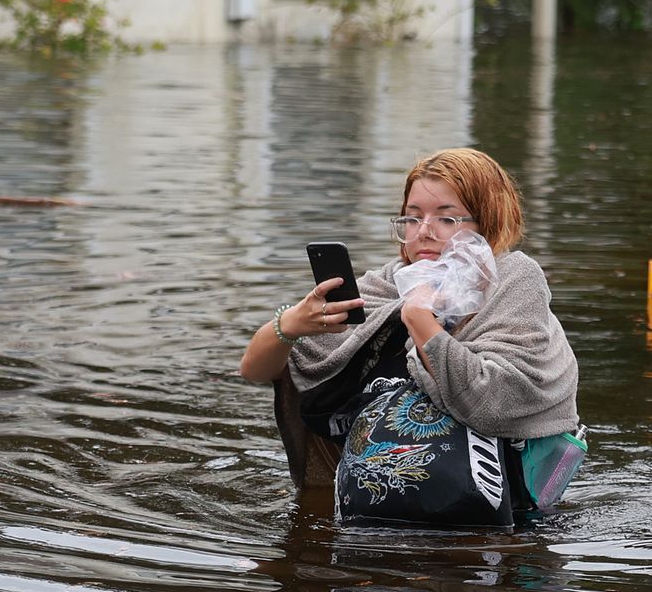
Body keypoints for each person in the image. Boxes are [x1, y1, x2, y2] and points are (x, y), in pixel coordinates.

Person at [238, 147, 579, 490]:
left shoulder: (514, 280)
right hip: (377, 496)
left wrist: (419, 318)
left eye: (447, 219)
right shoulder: (390, 282)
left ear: (488, 220)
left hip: (490, 507)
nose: (424, 231)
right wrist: (291, 325)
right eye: (413, 217)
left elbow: (495, 402)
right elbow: (255, 370)